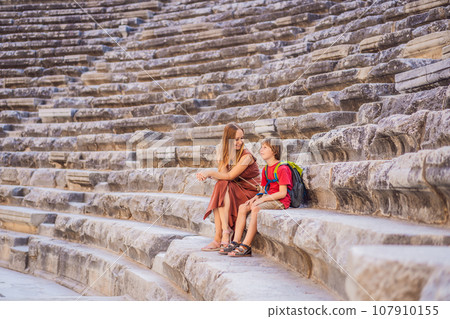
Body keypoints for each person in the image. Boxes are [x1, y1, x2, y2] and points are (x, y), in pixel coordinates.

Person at [223, 138, 292, 257]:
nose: (261, 150)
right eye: (261, 147)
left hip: (280, 201)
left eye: (265, 147)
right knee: (243, 207)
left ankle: (246, 245)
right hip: (268, 197)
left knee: (255, 208)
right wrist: (255, 198)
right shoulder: (265, 169)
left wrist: (262, 200)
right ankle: (236, 241)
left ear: (274, 151)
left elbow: (282, 193)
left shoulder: (282, 168)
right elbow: (263, 190)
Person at [196, 123, 261, 251]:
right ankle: (220, 235)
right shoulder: (230, 153)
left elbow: (230, 176)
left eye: (242, 138)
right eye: (236, 139)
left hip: (250, 191)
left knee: (221, 185)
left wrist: (209, 172)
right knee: (220, 185)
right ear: (228, 140)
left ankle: (222, 235)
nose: (240, 142)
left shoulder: (246, 156)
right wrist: (223, 156)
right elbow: (223, 176)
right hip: (237, 189)